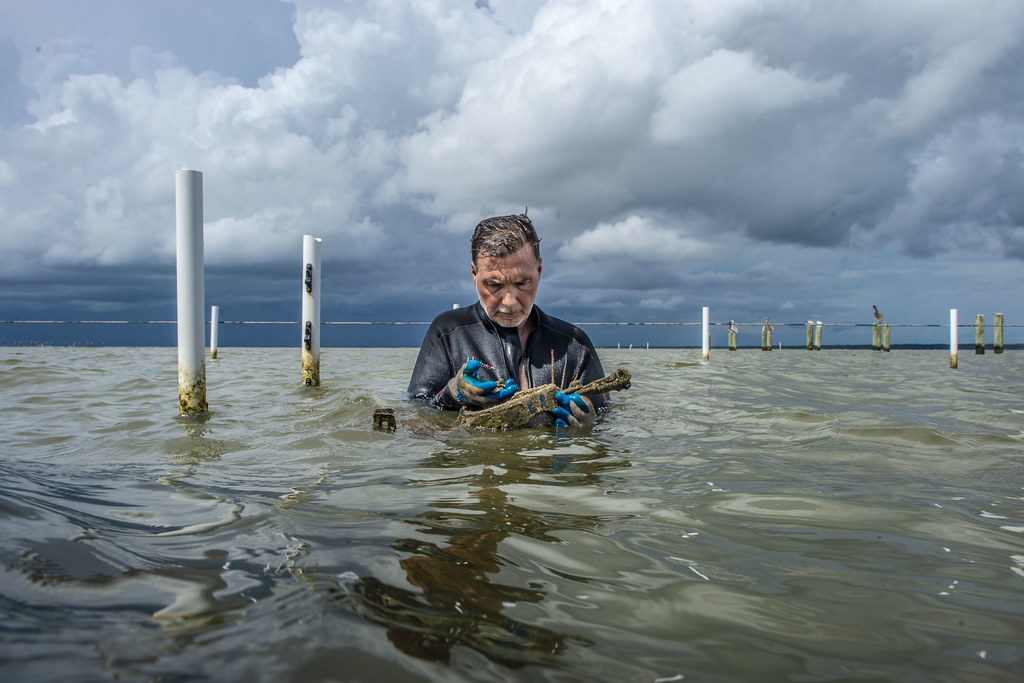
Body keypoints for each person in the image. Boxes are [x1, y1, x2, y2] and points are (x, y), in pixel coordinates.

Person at [408, 213, 607, 427]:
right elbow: (415, 413)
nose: (510, 302)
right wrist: (451, 394)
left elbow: (609, 420)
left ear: (539, 271)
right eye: (494, 285)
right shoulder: (447, 332)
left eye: (522, 283)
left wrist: (590, 425)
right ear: (474, 274)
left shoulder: (575, 346)